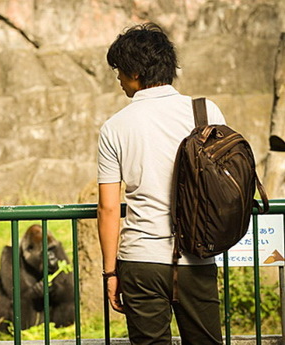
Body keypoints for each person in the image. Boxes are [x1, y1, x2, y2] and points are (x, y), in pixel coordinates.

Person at [97, 23, 225, 344]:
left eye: (120, 72)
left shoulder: (116, 127)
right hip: (197, 254)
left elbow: (109, 207)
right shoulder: (205, 111)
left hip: (140, 260)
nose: (118, 79)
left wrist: (111, 273)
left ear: (136, 72)